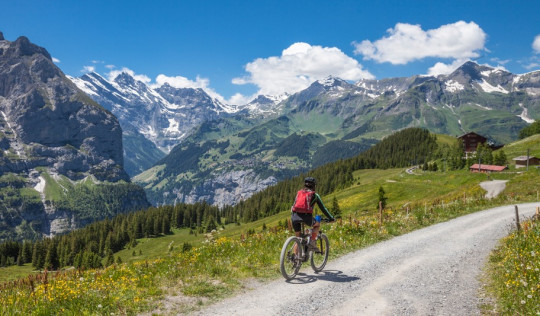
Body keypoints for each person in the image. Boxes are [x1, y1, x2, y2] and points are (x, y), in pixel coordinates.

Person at [291, 177, 334, 250]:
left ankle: (295, 259)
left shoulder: (299, 193)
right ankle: (312, 242)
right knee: (317, 225)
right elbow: (323, 208)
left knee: (298, 238)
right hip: (306, 217)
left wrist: (293, 215)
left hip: (294, 216)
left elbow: (294, 206)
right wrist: (331, 218)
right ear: (314, 185)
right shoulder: (315, 195)